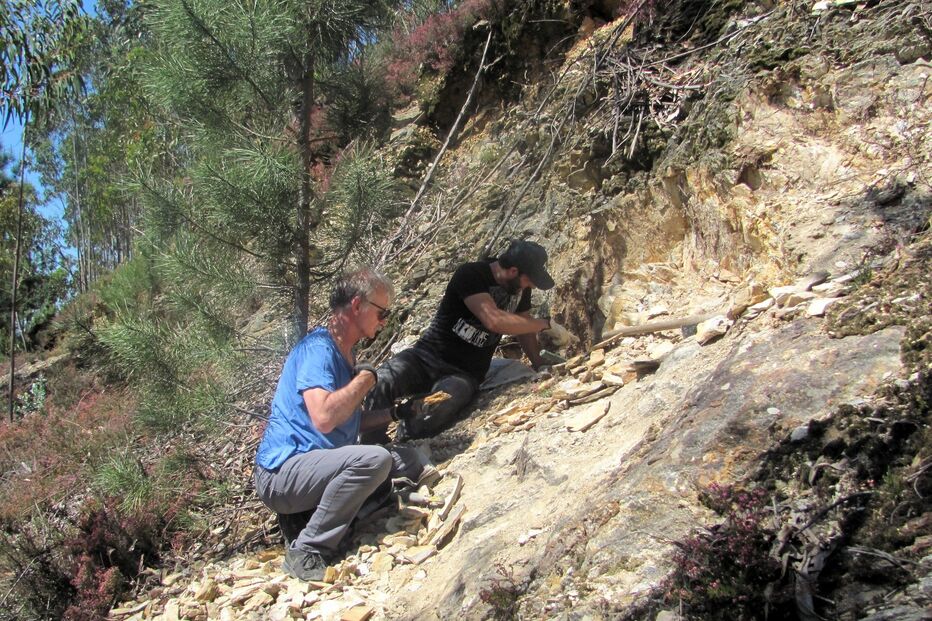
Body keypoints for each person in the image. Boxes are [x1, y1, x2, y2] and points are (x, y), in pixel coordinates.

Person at [253, 268, 428, 581]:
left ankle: (324, 513)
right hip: (283, 473)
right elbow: (324, 417)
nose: (384, 320)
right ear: (358, 305)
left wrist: (395, 414)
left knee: (408, 459)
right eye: (382, 312)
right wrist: (365, 379)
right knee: (376, 460)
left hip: (316, 462)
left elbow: (346, 420)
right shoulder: (318, 351)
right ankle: (307, 549)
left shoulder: (344, 353)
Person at [365, 239, 556, 439]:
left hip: (463, 374)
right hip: (425, 357)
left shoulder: (519, 289)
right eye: (530, 279)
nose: (531, 286)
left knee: (439, 404)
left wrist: (538, 363)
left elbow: (523, 327)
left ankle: (404, 441)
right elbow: (494, 320)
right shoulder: (472, 275)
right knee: (382, 380)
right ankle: (370, 444)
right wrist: (544, 323)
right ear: (514, 271)